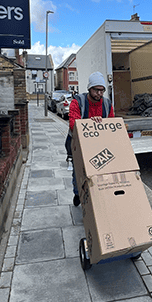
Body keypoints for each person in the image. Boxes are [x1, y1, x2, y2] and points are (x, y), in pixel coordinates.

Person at [66, 71, 114, 206]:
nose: (99, 93)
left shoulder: (106, 103)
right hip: (78, 143)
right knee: (78, 171)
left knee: (99, 170)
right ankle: (78, 193)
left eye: (102, 90)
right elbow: (73, 124)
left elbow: (110, 123)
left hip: (98, 144)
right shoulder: (77, 102)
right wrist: (92, 123)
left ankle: (96, 194)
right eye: (96, 90)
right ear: (89, 88)